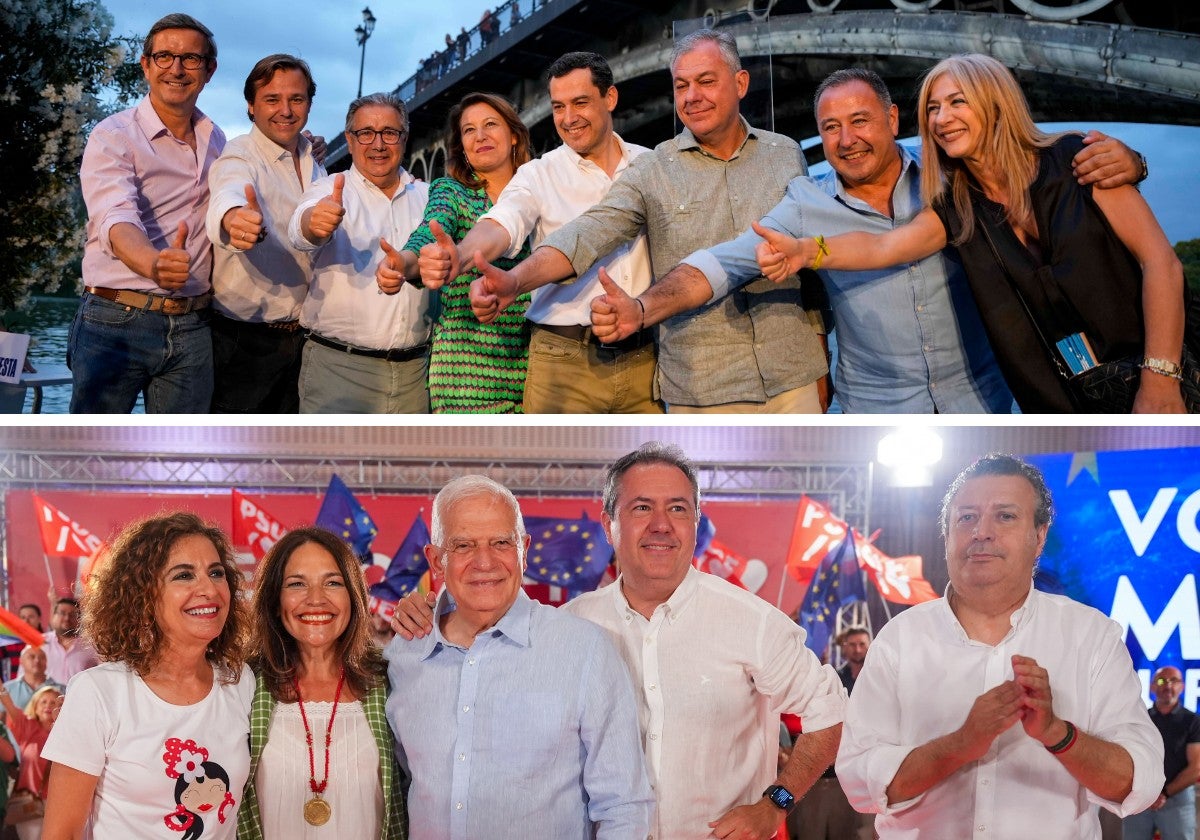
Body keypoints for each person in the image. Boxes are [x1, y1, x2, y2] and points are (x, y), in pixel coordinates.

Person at [589, 67, 1145, 414]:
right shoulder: (806, 204)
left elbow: (1029, 164)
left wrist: (1129, 161)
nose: (846, 140)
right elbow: (718, 265)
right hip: (875, 412)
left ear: (894, 116)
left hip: (988, 404)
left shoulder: (954, 180)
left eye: (860, 121)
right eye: (830, 128)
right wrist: (641, 308)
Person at [392, 444, 846, 839]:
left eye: (678, 509)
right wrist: (437, 609)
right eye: (642, 508)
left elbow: (831, 710)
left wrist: (776, 803)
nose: (661, 525)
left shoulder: (750, 619)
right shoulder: (572, 627)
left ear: (696, 522)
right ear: (610, 523)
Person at [755, 54, 1187, 413]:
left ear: (994, 102)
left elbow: (1162, 264)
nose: (943, 119)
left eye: (957, 102)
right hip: (1062, 402)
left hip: (1156, 379)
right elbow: (883, 246)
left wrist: (1160, 380)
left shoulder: (1078, 159)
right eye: (933, 108)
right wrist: (807, 250)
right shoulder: (957, 204)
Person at [469, 29, 828, 413]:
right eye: (681, 85)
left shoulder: (785, 153)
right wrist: (517, 280)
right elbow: (589, 231)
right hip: (701, 385)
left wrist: (820, 360)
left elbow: (810, 266)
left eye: (706, 81)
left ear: (740, 83)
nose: (692, 97)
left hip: (793, 375)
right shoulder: (654, 167)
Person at [836, 453, 1164, 838]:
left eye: (1005, 516)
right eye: (967, 518)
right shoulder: (898, 639)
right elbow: (860, 783)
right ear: (947, 537)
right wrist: (960, 745)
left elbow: (1138, 782)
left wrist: (1058, 733)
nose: (982, 532)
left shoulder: (1090, 636)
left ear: (1039, 536)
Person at [384, 475, 653, 838]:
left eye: (501, 542)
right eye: (463, 545)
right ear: (435, 559)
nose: (485, 561)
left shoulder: (583, 650)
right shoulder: (403, 653)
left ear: (523, 549)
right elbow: (399, 788)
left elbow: (624, 806)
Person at [417, 51, 659, 414]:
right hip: (563, 360)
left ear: (610, 98)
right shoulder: (537, 174)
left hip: (646, 359)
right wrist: (464, 255)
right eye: (558, 107)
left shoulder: (652, 164)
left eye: (580, 103)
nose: (568, 118)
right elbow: (503, 221)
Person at [42, 512, 252, 840]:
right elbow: (60, 833)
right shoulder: (99, 692)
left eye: (216, 572)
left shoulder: (241, 683)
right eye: (184, 575)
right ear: (144, 595)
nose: (208, 588)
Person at [70, 13, 221, 413]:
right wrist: (153, 263)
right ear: (146, 64)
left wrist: (300, 148)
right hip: (115, 320)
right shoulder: (114, 134)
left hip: (193, 326)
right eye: (164, 56)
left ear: (209, 70)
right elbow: (115, 218)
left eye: (190, 59)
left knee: (182, 456)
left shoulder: (219, 140)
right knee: (92, 456)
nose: (176, 68)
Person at [238, 527, 406, 839]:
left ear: (354, 597)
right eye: (297, 584)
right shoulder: (243, 686)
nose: (316, 599)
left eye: (332, 583)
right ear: (275, 601)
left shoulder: (392, 681)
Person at [376, 92, 533, 413]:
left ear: (514, 135)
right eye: (469, 130)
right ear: (461, 145)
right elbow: (429, 235)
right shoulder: (452, 192)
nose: (480, 136)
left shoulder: (540, 192)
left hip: (537, 370)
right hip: (467, 378)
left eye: (491, 124)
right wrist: (404, 263)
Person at [289, 92, 432, 413]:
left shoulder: (429, 196)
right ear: (350, 141)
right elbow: (299, 229)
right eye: (366, 133)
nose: (378, 144)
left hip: (415, 376)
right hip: (339, 371)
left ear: (404, 139)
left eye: (389, 133)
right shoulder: (329, 189)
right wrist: (317, 222)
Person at [205, 54, 325, 413]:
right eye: (272, 99)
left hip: (303, 340)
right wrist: (234, 220)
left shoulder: (313, 159)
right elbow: (228, 190)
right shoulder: (239, 154)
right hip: (243, 343)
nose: (285, 110)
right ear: (251, 107)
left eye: (297, 99)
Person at [789, 626, 873, 840]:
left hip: (864, 772)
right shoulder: (834, 679)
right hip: (828, 771)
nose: (857, 649)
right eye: (852, 644)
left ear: (870, 646)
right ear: (844, 648)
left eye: (862, 644)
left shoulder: (878, 682)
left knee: (850, 833)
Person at [1122, 666, 1200, 840]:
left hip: (1177, 800)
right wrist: (1147, 793)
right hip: (1140, 800)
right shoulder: (1139, 720)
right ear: (1151, 687)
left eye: (1174, 681)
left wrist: (1163, 793)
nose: (1168, 685)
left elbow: (1196, 767)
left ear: (1182, 687)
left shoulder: (1193, 721)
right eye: (1161, 681)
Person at [0, 684, 61, 840]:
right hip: (30, 803)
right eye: (43, 702)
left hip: (60, 802)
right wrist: (2, 690)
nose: (48, 705)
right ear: (35, 706)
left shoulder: (67, 732)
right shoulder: (27, 728)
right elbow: (10, 707)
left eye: (53, 702)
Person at [42, 597, 98, 685]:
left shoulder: (91, 646)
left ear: (79, 619)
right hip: (47, 697)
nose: (67, 618)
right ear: (53, 615)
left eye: (72, 615)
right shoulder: (40, 643)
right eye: (62, 613)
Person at [3, 646, 65, 713]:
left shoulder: (63, 690)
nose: (37, 660)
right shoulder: (6, 689)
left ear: (46, 662)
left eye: (41, 657)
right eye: (31, 657)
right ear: (21, 661)